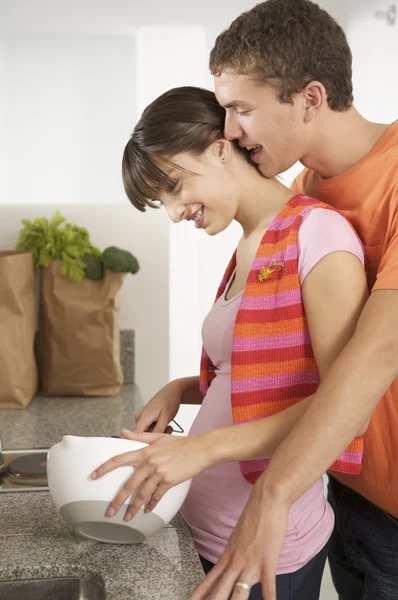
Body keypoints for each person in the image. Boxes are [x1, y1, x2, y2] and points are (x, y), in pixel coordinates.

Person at [90, 85, 369, 600]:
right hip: (206, 534)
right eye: (162, 202)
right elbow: (255, 370)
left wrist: (200, 448)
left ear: (220, 147)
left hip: (265, 547)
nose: (174, 213)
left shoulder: (319, 235)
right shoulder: (249, 243)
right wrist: (181, 387)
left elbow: (345, 405)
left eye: (175, 186)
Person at [182, 0, 397, 599]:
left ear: (309, 98)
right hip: (350, 494)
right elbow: (282, 353)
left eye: (241, 109)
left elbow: (379, 351)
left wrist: (272, 494)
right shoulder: (304, 194)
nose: (227, 131)